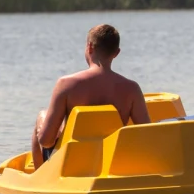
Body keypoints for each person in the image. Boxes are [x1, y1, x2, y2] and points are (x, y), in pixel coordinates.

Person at [31, 24, 150, 168]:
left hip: (69, 164)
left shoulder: (66, 84)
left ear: (89, 47)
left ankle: (39, 177)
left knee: (42, 115)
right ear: (117, 53)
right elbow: (147, 136)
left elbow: (46, 141)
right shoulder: (132, 88)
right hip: (111, 162)